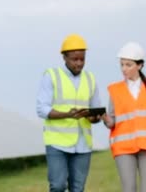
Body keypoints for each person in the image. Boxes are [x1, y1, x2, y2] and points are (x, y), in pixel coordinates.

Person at [36, 34, 102, 192]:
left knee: (78, 189)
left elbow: (95, 111)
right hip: (57, 142)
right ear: (64, 57)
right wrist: (67, 114)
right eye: (74, 59)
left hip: (83, 144)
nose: (79, 63)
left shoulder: (90, 78)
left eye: (82, 59)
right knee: (57, 186)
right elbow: (41, 109)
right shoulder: (51, 76)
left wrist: (94, 116)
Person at [102, 42, 146, 192]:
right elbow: (112, 121)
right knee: (129, 189)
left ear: (139, 65)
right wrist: (106, 119)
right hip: (124, 148)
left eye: (128, 65)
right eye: (121, 65)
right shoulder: (115, 90)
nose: (124, 69)